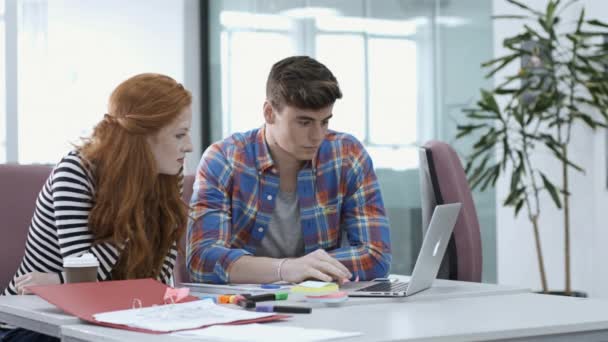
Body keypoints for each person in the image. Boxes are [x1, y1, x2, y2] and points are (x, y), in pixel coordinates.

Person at [1, 73, 193, 341]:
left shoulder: (168, 174)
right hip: (35, 327)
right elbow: (84, 286)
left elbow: (156, 286)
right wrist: (133, 211)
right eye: (180, 134)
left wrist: (60, 281)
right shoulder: (76, 171)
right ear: (143, 137)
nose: (189, 146)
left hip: (116, 318)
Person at [187, 56, 391, 285]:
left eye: (324, 122)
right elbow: (202, 260)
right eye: (304, 122)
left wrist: (306, 270)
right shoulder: (224, 159)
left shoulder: (348, 155)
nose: (317, 136)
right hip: (246, 307)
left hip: (320, 302)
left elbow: (376, 255)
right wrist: (286, 269)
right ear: (269, 113)